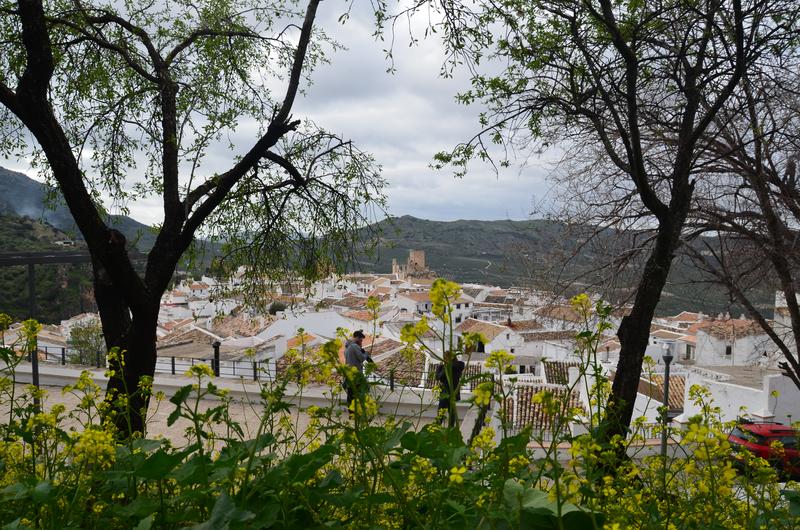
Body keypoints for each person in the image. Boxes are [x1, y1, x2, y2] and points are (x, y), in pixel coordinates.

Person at [343, 330, 373, 408]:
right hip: (356, 374)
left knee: (351, 393)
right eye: (360, 340)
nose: (361, 342)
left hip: (349, 373)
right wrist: (366, 354)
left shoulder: (347, 346)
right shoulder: (354, 346)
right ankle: (361, 409)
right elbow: (361, 358)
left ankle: (351, 411)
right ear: (357, 338)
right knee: (362, 390)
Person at [436, 351, 466, 426]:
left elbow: (461, 366)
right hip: (444, 392)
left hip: (453, 392)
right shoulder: (442, 367)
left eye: (446, 357)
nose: (445, 359)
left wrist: (448, 365)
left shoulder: (458, 365)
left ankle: (451, 428)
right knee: (440, 412)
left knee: (452, 413)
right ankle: (438, 427)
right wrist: (444, 367)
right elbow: (438, 377)